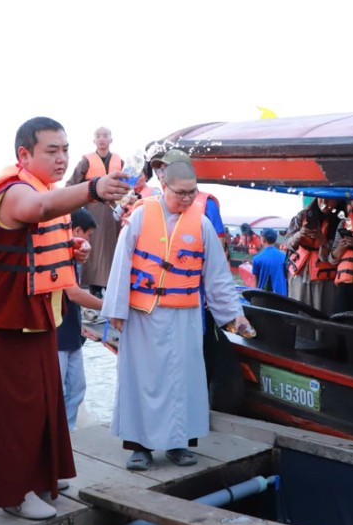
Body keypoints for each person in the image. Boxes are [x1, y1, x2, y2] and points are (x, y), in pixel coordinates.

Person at [0, 117, 130, 520]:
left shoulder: (46, 190)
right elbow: (35, 210)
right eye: (51, 151)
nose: (61, 158)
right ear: (24, 155)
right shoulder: (12, 191)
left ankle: (43, 478)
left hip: (37, 313)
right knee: (15, 407)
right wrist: (93, 188)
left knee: (45, 400)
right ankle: (14, 493)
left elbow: (34, 241)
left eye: (65, 150)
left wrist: (70, 248)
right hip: (4, 317)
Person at [102, 161, 252, 471]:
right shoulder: (141, 215)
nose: (186, 198)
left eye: (191, 192)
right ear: (164, 187)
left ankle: (178, 444)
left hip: (185, 315)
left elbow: (218, 276)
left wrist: (234, 316)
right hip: (143, 314)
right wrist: (116, 309)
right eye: (180, 192)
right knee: (140, 380)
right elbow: (121, 262)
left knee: (184, 380)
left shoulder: (202, 224)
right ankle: (139, 447)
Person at [58, 209, 104, 431]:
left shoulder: (72, 258)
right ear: (76, 231)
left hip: (72, 333)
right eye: (89, 235)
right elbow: (74, 294)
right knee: (58, 390)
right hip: (57, 335)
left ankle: (68, 433)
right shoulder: (58, 256)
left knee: (77, 388)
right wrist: (109, 306)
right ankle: (56, 435)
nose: (89, 242)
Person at [66, 126, 123, 296]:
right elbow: (70, 185)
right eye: (98, 136)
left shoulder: (120, 162)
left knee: (114, 248)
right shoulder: (86, 161)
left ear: (111, 139)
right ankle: (94, 289)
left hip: (115, 212)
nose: (102, 139)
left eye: (105, 135)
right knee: (93, 248)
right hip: (93, 211)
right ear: (94, 140)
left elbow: (128, 185)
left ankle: (112, 287)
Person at [149, 149, 229, 252]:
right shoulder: (151, 206)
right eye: (160, 170)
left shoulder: (208, 204)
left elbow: (218, 250)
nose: (162, 175)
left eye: (168, 170)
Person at [284, 197, 342, 314]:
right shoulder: (302, 215)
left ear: (337, 200)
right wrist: (299, 235)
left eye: (329, 199)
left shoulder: (341, 222)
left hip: (325, 281)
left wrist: (322, 240)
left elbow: (330, 257)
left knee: (321, 315)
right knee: (298, 313)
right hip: (299, 276)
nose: (324, 202)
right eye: (321, 198)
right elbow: (287, 242)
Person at [251, 227, 287, 295]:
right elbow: (287, 276)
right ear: (275, 240)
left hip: (262, 297)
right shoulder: (284, 256)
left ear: (263, 240)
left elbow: (255, 281)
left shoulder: (257, 258)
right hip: (282, 297)